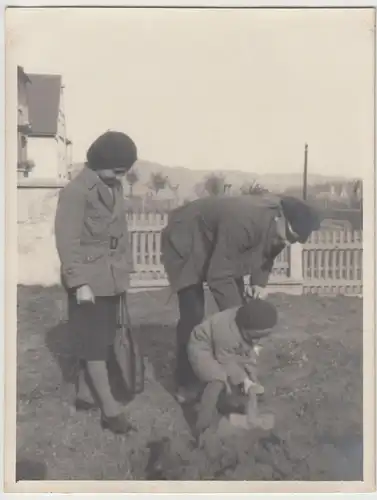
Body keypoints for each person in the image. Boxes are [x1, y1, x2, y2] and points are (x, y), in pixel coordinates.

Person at [161, 193, 320, 402]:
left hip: (217, 242)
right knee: (194, 315)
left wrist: (258, 283)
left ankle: (239, 376)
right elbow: (218, 276)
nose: (289, 243)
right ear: (279, 217)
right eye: (289, 236)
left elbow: (270, 251)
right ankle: (187, 382)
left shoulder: (282, 227)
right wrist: (239, 317)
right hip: (187, 237)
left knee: (240, 315)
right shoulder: (245, 221)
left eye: (294, 240)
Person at [55, 130, 137, 435]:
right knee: (93, 344)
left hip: (111, 278)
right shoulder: (76, 192)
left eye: (124, 171)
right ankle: (110, 411)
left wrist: (126, 269)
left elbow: (121, 232)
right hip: (88, 282)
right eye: (118, 170)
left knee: (103, 338)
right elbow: (67, 241)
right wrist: (79, 284)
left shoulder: (114, 186)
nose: (122, 176)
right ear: (100, 162)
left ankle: (86, 395)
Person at [187, 298, 278, 434]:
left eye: (262, 337)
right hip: (203, 348)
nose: (258, 341)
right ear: (244, 328)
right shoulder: (225, 331)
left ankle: (250, 414)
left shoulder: (246, 325)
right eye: (255, 337)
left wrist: (250, 378)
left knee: (249, 375)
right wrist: (243, 380)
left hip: (229, 347)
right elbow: (225, 359)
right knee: (217, 379)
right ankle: (203, 425)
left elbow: (244, 355)